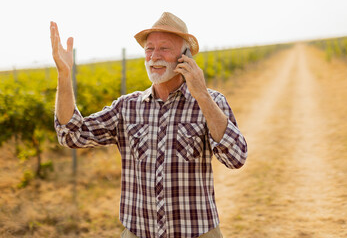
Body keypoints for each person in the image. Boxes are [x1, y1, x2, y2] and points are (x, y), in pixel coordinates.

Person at [50, 12, 247, 238]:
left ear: (185, 58)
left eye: (164, 48)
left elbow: (236, 158)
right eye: (149, 49)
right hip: (138, 232)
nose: (154, 56)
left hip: (197, 232)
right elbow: (71, 135)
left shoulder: (212, 102)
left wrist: (201, 94)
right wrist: (64, 76)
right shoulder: (127, 107)